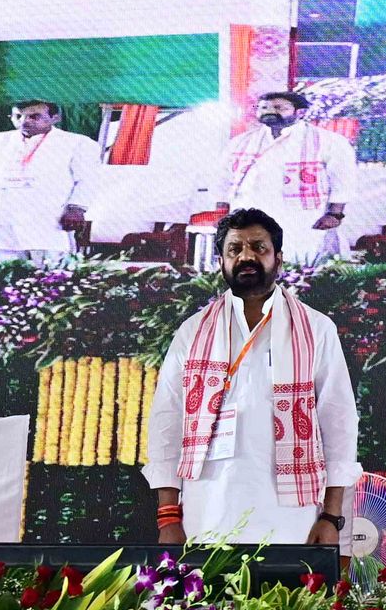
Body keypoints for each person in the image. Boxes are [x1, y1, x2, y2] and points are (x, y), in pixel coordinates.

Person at [145, 209, 360, 549]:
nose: (246, 256)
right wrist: (168, 516)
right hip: (207, 513)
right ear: (221, 262)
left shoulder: (317, 330)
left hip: (292, 519)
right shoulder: (192, 332)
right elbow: (167, 423)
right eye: (235, 249)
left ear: (278, 259)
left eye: (259, 247)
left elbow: (339, 423)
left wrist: (331, 517)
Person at [216, 91, 356, 259]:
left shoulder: (329, 141)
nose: (269, 112)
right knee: (251, 262)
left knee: (299, 263)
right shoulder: (241, 141)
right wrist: (221, 212)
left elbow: (342, 181)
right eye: (263, 107)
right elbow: (223, 180)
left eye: (278, 107)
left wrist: (334, 214)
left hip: (300, 218)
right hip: (248, 214)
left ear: (300, 112)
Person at [0, 99, 101, 262]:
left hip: (48, 220)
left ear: (55, 118)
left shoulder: (78, 143)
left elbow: (87, 180)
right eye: (18, 116)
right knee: (0, 269)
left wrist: (77, 209)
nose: (24, 122)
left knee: (50, 272)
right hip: (0, 220)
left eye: (34, 116)